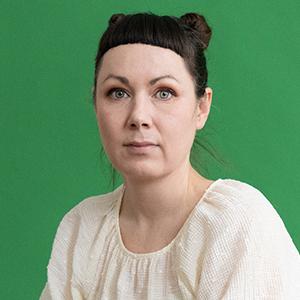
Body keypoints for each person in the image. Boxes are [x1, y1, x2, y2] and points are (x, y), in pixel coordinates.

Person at [40, 12, 300, 300]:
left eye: (164, 93)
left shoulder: (236, 224)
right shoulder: (82, 227)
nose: (139, 116)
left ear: (201, 107)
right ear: (95, 104)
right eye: (118, 93)